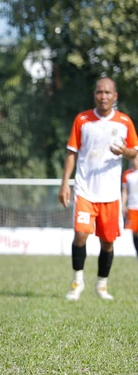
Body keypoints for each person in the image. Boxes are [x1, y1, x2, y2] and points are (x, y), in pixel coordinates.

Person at [59, 77, 138, 301]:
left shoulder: (124, 122)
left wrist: (124, 152)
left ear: (115, 96)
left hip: (110, 195)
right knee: (81, 235)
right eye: (99, 92)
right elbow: (72, 153)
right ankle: (77, 282)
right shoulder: (82, 120)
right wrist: (65, 182)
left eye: (107, 92)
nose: (103, 96)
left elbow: (134, 152)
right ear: (94, 94)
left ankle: (101, 285)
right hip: (85, 190)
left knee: (107, 242)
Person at [121, 162, 138, 259]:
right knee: (135, 232)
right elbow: (125, 191)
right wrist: (123, 205)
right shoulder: (127, 174)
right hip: (132, 207)